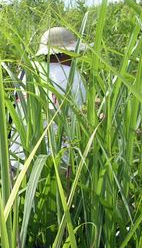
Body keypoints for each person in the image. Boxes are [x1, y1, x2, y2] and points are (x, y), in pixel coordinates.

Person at [10, 26, 89, 172]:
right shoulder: (74, 76)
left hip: (18, 158)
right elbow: (81, 120)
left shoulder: (27, 72)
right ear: (69, 51)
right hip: (57, 161)